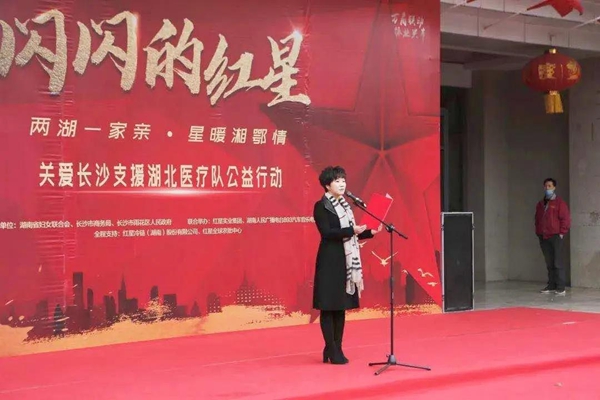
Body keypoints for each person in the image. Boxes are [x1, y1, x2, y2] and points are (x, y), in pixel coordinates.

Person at [312, 166, 382, 365]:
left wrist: (369, 232)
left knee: (340, 306)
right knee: (328, 307)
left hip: (345, 261)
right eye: (337, 181)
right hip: (329, 261)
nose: (342, 184)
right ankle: (331, 348)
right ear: (327, 185)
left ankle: (337, 347)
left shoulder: (346, 206)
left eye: (343, 180)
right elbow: (327, 233)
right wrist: (352, 230)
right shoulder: (321, 206)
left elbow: (352, 234)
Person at [535, 178, 571, 295]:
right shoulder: (541, 204)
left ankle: (560, 287)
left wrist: (561, 233)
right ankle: (551, 285)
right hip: (544, 236)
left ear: (554, 187)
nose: (547, 188)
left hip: (555, 236)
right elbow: (537, 219)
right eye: (546, 186)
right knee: (549, 262)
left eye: (549, 186)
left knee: (557, 262)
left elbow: (565, 219)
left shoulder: (559, 203)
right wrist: (538, 232)